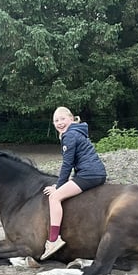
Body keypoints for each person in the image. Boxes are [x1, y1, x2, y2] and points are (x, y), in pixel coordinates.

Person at [40, 107, 107, 260]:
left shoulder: (69, 135)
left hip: (89, 174)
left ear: (71, 119)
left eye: (62, 119)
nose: (59, 123)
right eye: (56, 121)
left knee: (55, 198)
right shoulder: (77, 131)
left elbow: (67, 164)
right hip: (93, 172)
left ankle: (54, 239)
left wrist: (58, 186)